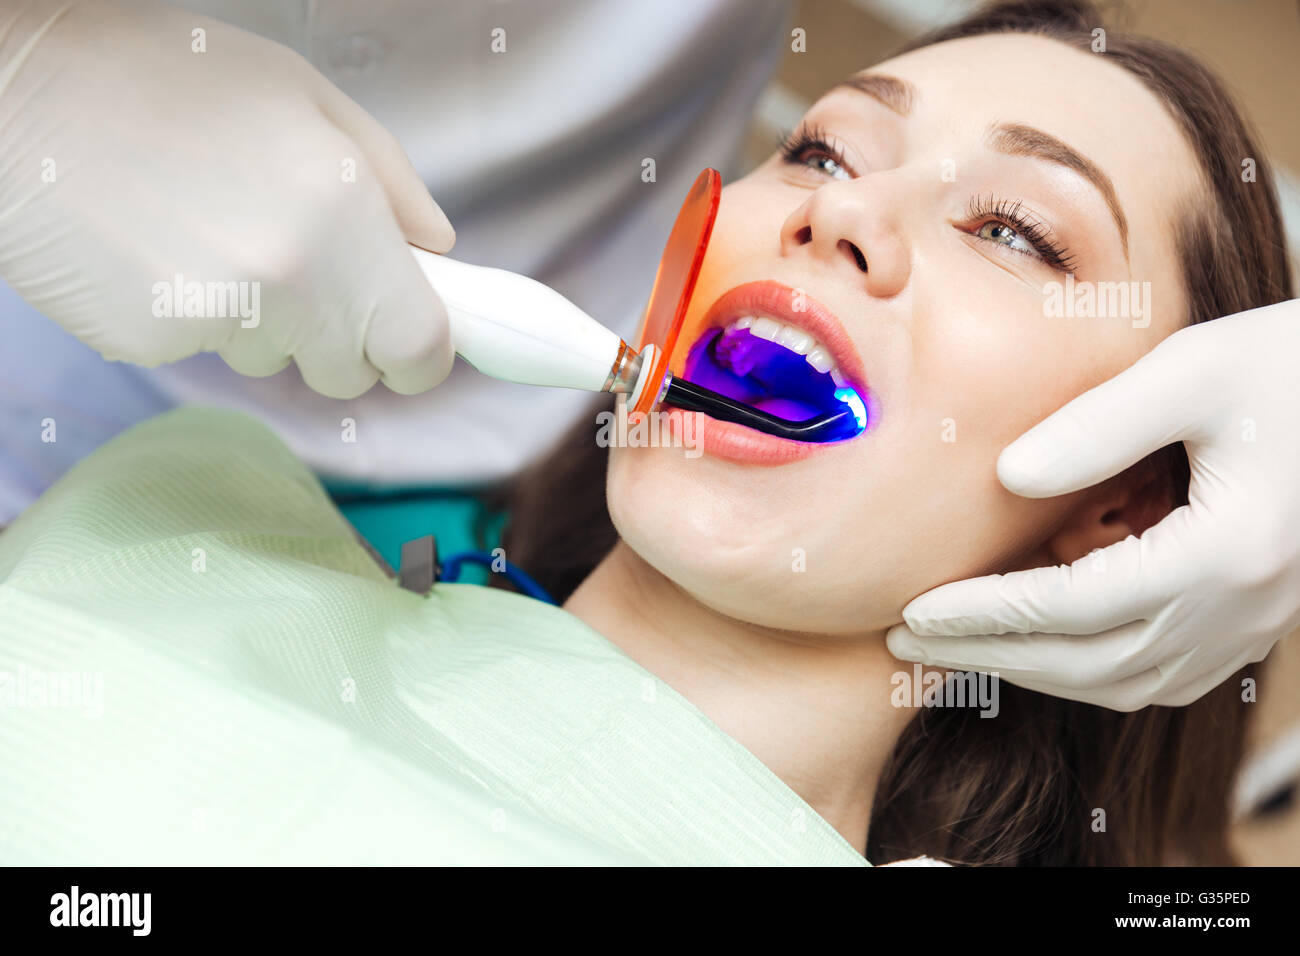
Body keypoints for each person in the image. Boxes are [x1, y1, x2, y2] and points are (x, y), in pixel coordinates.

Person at [1, 0, 1288, 865]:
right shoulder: (176, 511)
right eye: (826, 150)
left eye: (1014, 228)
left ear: (1122, 504)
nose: (843, 216)